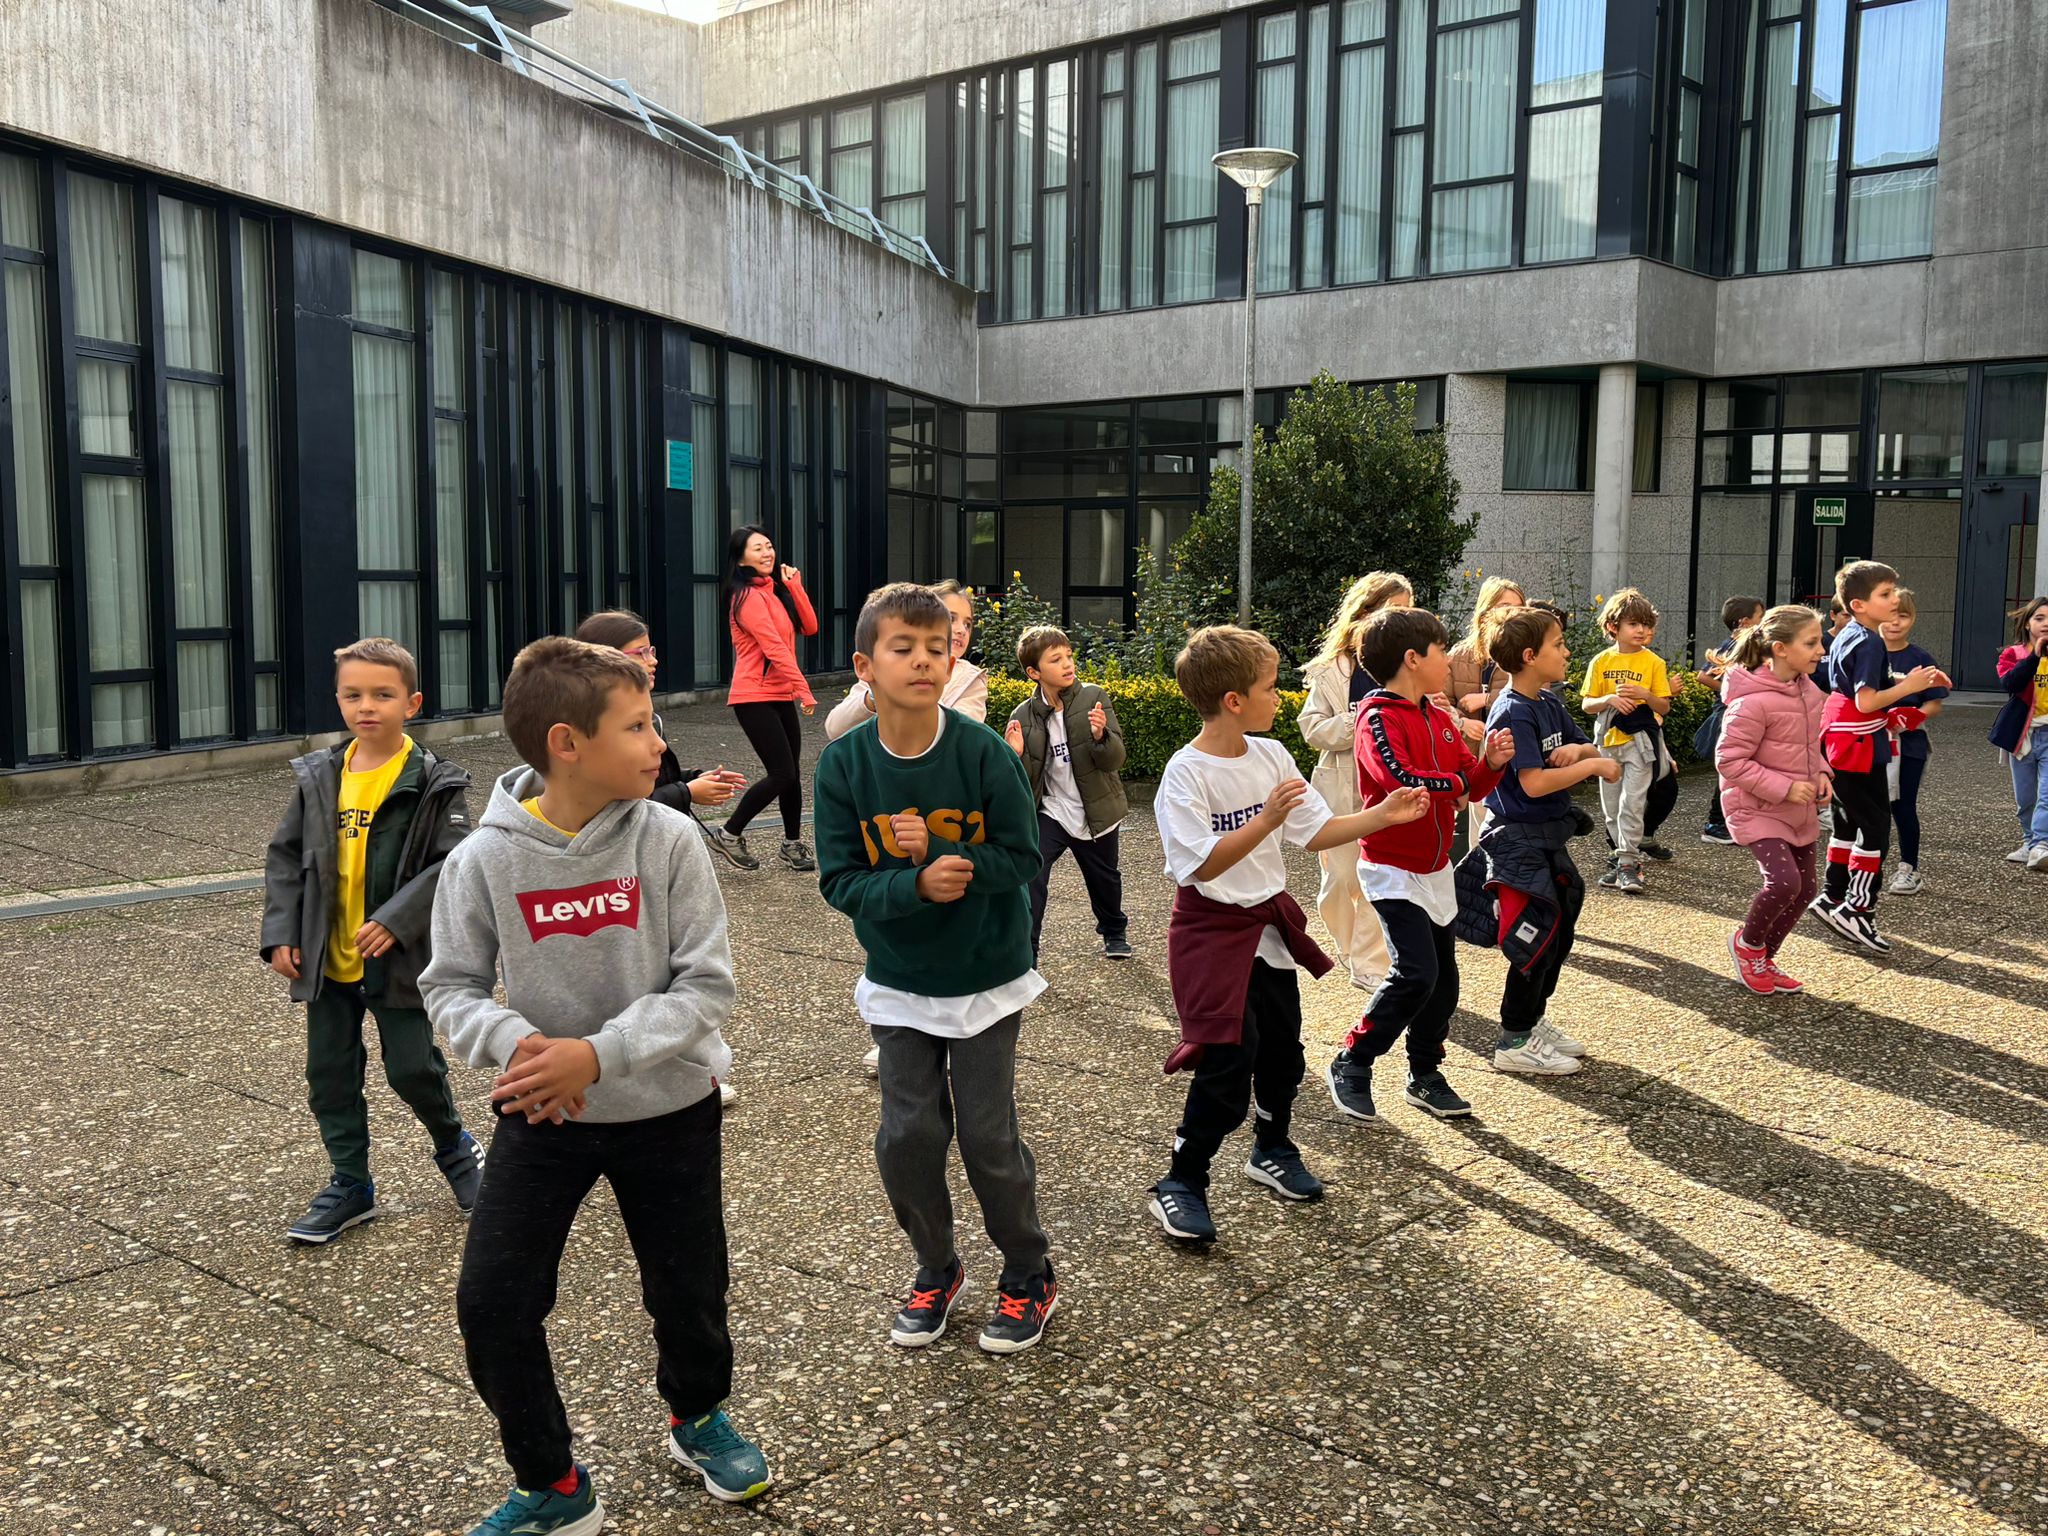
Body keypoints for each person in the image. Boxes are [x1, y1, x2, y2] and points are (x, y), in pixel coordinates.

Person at [424, 637, 770, 1530]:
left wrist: (601, 1053)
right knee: (493, 1303)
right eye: (639, 726)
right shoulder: (484, 859)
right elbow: (450, 987)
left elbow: (707, 987)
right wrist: (522, 1044)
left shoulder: (670, 838)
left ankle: (698, 1417)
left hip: (671, 1107)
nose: (661, 743)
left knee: (689, 1291)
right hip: (544, 1111)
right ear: (567, 744)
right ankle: (551, 1483)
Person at [813, 583, 1060, 1353]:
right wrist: (913, 886)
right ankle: (936, 1266)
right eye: (904, 648)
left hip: (985, 975)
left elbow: (1022, 855)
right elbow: (839, 881)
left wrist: (953, 858)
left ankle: (1027, 1270)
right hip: (898, 977)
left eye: (937, 647)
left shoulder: (983, 752)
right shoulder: (845, 765)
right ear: (866, 666)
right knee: (907, 1137)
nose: (924, 660)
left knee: (988, 1138)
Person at [1146, 625, 1429, 1245]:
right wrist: (1265, 818)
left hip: (1268, 928)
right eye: (1271, 688)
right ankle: (1182, 1181)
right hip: (1210, 932)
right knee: (1228, 1059)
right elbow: (1200, 865)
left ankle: (1272, 1147)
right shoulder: (1185, 773)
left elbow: (1316, 831)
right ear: (1233, 701)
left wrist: (1382, 815)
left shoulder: (1271, 756)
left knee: (1282, 1052)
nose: (1281, 698)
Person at [259, 638, 479, 1246]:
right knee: (329, 1074)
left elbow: (455, 863)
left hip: (397, 960)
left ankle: (456, 1149)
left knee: (412, 1068)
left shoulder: (434, 780)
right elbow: (285, 858)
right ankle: (351, 1182)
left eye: (383, 695)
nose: (367, 706)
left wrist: (397, 918)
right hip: (326, 959)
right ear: (338, 700)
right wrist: (281, 933)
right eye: (353, 695)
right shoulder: (319, 776)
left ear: (412, 703)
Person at [1324, 607, 1514, 1126]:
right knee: (1416, 973)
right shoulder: (1376, 717)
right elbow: (1399, 778)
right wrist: (1460, 784)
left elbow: (1470, 781)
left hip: (1436, 870)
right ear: (1413, 659)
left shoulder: (1438, 717)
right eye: (1441, 650)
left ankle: (1425, 1074)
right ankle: (1353, 1060)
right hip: (1390, 869)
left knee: (1443, 982)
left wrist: (1491, 764)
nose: (1448, 659)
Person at [576, 609, 749, 1108]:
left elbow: (652, 783)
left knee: (685, 971)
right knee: (646, 973)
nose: (653, 660)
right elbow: (622, 803)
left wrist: (692, 780)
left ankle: (698, 1069)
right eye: (641, 652)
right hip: (623, 866)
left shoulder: (646, 712)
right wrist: (689, 792)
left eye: (651, 650)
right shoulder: (593, 723)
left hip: (657, 855)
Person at [1460, 606, 1619, 1070]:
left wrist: (1580, 750)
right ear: (1530, 656)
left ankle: (1532, 1020)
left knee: (1561, 926)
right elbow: (1531, 784)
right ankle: (1513, 1041)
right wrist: (1592, 765)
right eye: (1558, 644)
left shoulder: (1547, 703)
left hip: (1548, 836)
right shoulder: (1512, 711)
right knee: (1535, 937)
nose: (1566, 652)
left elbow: (1584, 744)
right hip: (1516, 841)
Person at [1810, 561, 1949, 953]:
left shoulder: (1852, 633)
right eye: (1885, 595)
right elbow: (1866, 700)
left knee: (1848, 823)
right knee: (1875, 827)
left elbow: (1860, 686)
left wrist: (1912, 682)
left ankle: (1833, 895)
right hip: (1857, 742)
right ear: (1859, 604)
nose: (1893, 601)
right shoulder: (1870, 640)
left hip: (1844, 738)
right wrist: (1911, 685)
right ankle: (1857, 909)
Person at [1295, 571, 1412, 992]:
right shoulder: (1332, 669)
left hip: (1390, 786)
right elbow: (1312, 729)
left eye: (1407, 611)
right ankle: (1348, 948)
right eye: (1395, 610)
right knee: (1341, 879)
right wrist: (1358, 720)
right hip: (1341, 784)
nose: (1402, 619)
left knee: (1377, 877)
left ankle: (1368, 961)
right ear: (1366, 612)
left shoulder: (1409, 665)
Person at [1713, 605, 1831, 994]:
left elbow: (1809, 746)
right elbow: (1730, 761)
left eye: (1820, 642)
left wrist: (1822, 773)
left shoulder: (1809, 692)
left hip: (1798, 808)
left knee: (1806, 890)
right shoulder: (1751, 701)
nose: (1821, 650)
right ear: (1780, 648)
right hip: (1757, 807)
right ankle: (1747, 946)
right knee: (1783, 883)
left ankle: (1764, 957)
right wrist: (1784, 787)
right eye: (1811, 643)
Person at [1003, 624, 1131, 962]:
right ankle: (1026, 951)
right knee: (1031, 874)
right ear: (1034, 672)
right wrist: (1013, 755)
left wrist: (1101, 736)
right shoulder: (1022, 715)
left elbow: (1115, 760)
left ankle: (1114, 930)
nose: (1067, 664)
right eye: (1055, 659)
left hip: (1095, 810)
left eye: (1069, 656)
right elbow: (1021, 780)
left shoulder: (1093, 697)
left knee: (1104, 879)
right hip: (1053, 811)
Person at [716, 524, 819, 873]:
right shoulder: (745, 597)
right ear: (740, 558)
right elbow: (773, 647)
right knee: (781, 773)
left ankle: (791, 844)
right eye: (757, 548)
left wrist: (794, 586)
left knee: (792, 773)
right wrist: (803, 688)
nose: (767, 553)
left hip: (779, 693)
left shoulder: (773, 591)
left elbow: (809, 626)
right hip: (753, 696)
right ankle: (729, 833)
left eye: (769, 546)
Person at [1580, 588, 1675, 894]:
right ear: (1613, 627)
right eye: (1634, 624)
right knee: (1611, 807)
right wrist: (1609, 699)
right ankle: (1621, 857)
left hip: (1640, 743)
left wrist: (1646, 695)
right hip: (1608, 742)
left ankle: (1627, 863)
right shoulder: (1601, 661)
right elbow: (1587, 704)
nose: (1642, 630)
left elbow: (1664, 707)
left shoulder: (1654, 663)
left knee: (1632, 803)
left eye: (1646, 624)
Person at [827, 579, 988, 738]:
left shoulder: (970, 679)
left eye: (967, 624)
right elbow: (835, 728)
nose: (962, 630)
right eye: (951, 619)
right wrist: (875, 698)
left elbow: (965, 737)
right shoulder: (881, 670)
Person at [1877, 587, 1950, 894]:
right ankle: (1867, 866)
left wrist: (1913, 717)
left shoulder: (1920, 658)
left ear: (1914, 618)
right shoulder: (1866, 652)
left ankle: (1909, 868)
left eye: (1903, 616)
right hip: (1869, 742)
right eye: (1890, 615)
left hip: (1909, 744)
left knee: (1903, 806)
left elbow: (1934, 703)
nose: (1895, 622)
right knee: (1871, 808)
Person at [1698, 595, 1767, 845]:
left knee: (1742, 768)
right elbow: (1703, 676)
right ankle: (1715, 823)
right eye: (1761, 617)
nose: (1764, 622)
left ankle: (1734, 821)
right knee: (1732, 769)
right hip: (1728, 714)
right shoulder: (1733, 645)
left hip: (1738, 712)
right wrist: (1735, 692)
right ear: (1745, 622)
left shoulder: (1749, 645)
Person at [1991, 595, 2048, 868]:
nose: (2045, 624)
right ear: (2027, 624)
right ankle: (2030, 842)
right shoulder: (2013, 654)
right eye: (2039, 618)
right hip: (2022, 735)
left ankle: (2041, 845)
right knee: (2025, 798)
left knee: (2047, 795)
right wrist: (2035, 656)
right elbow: (2010, 685)